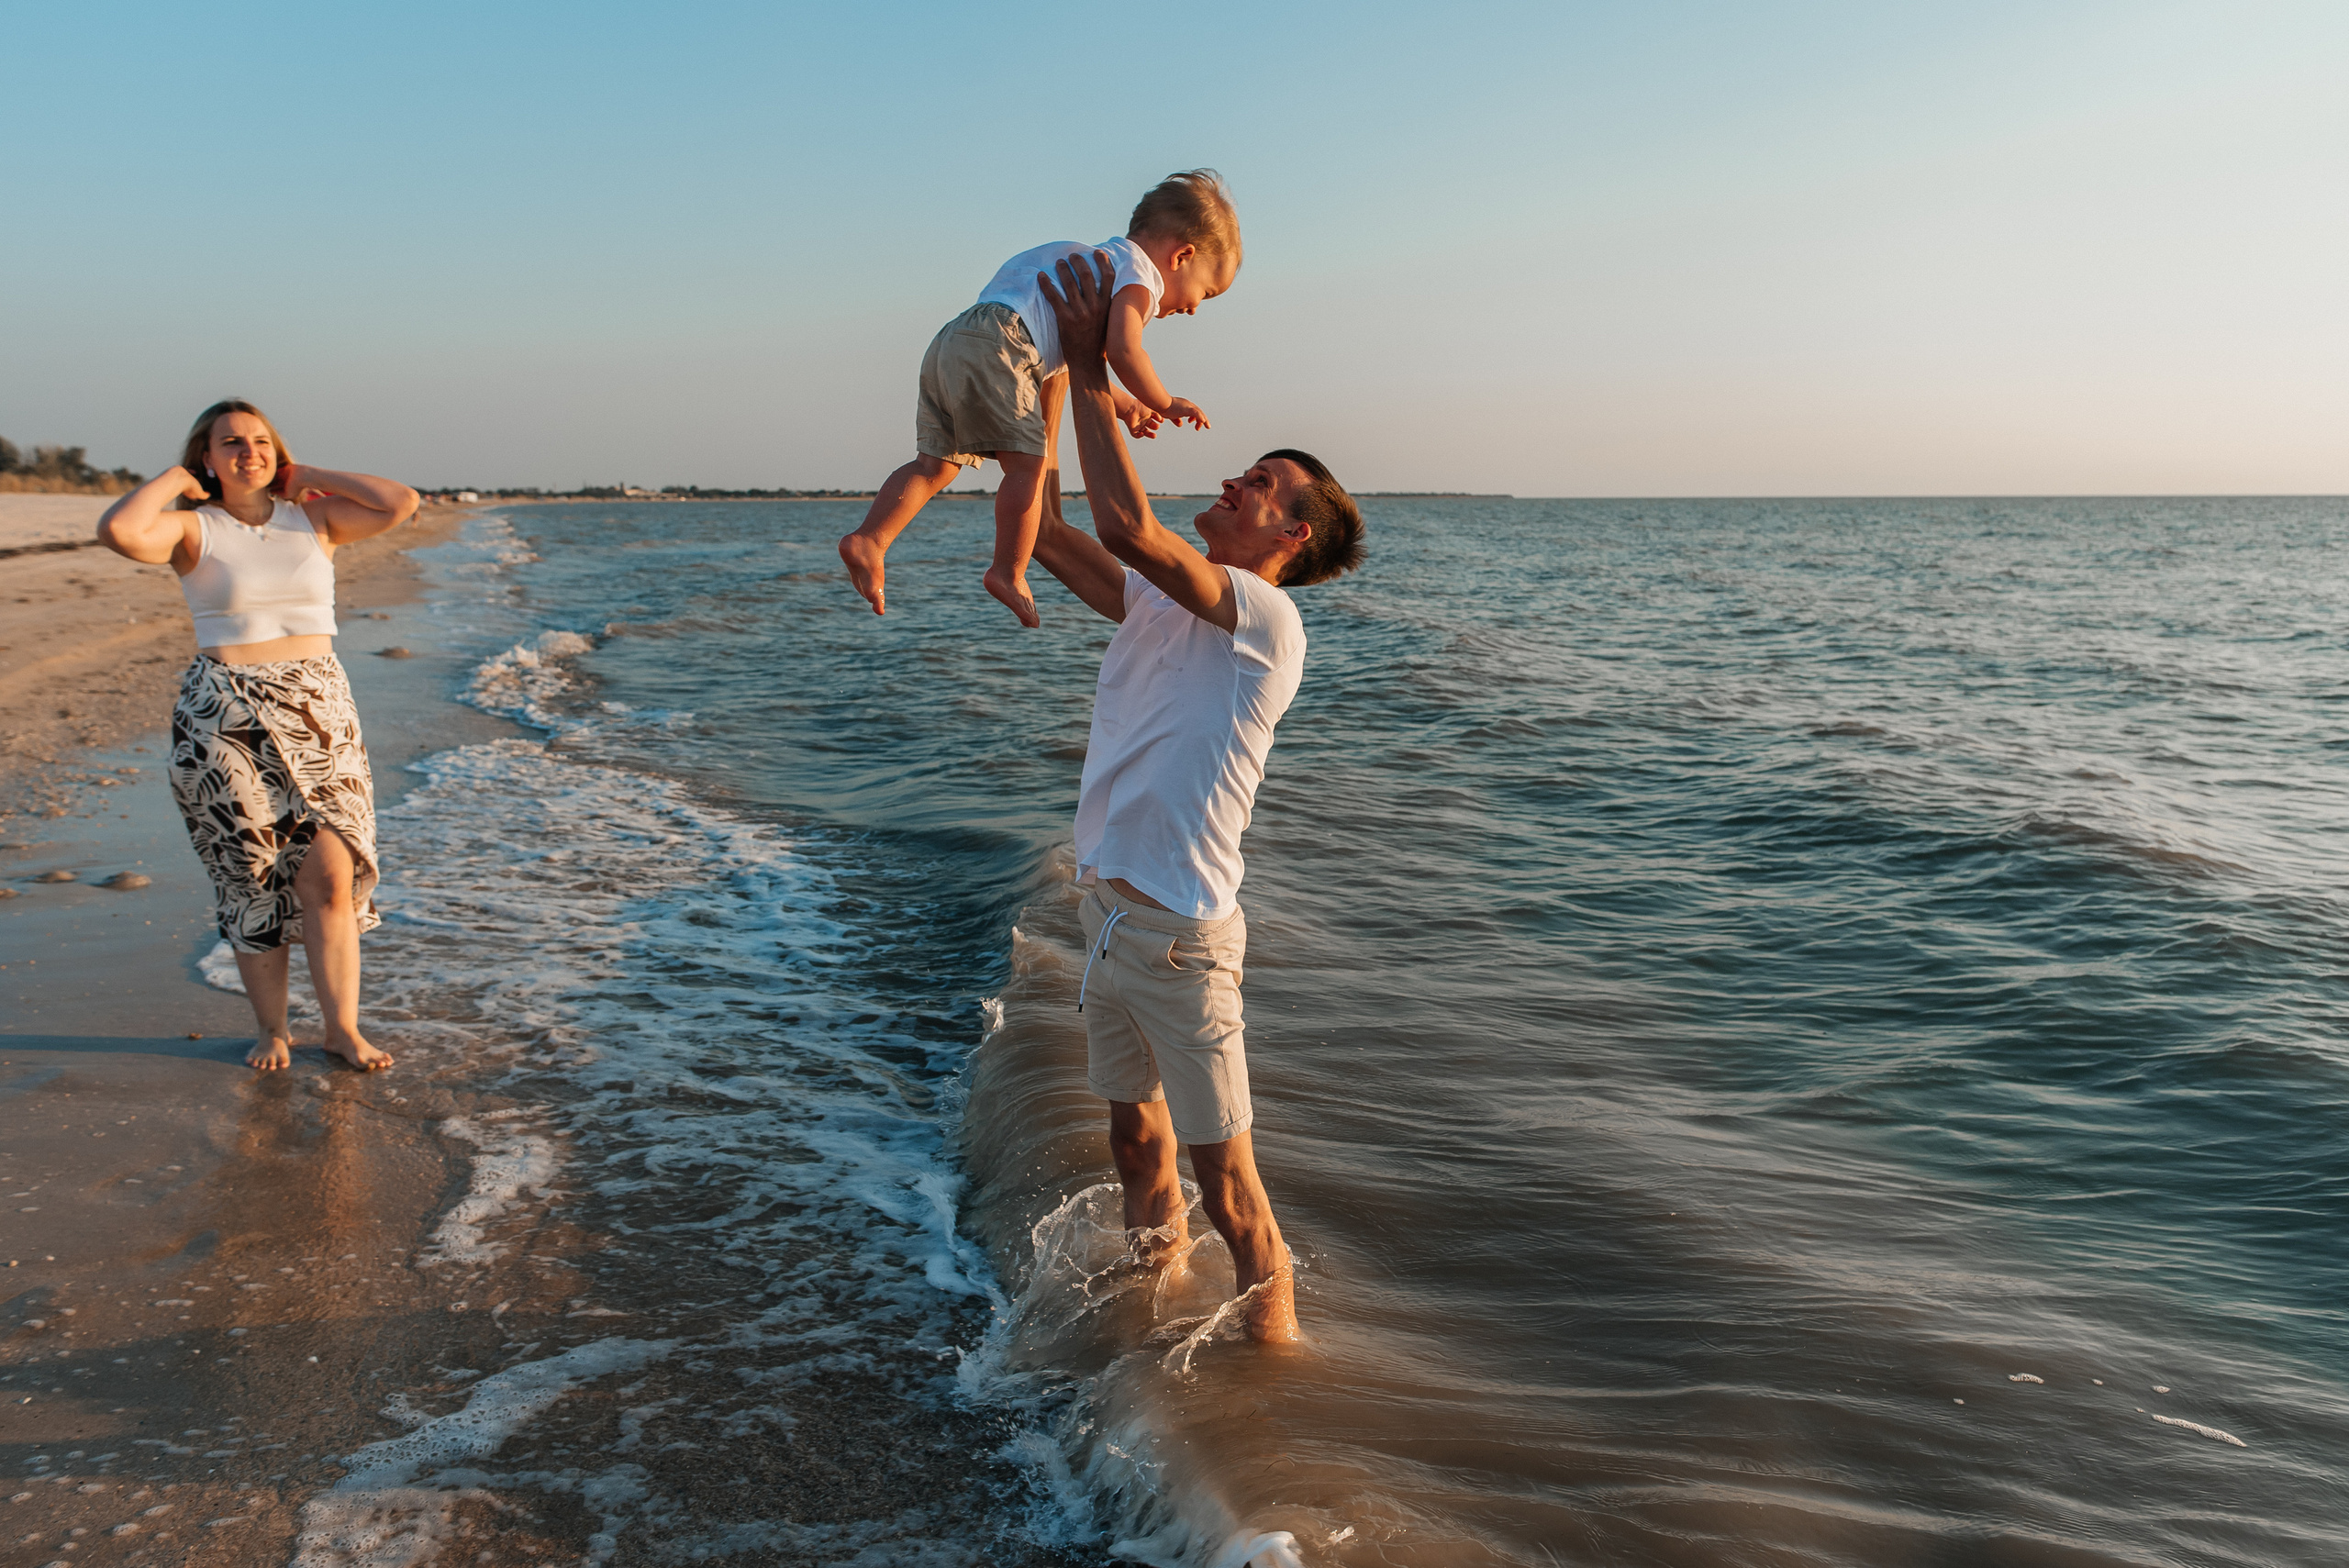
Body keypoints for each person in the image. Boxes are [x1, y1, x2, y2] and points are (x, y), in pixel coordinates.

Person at [1024, 250, 1365, 1341]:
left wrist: (1091, 363)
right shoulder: (1158, 603)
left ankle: (1271, 1385)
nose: (1234, 481)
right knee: (1135, 1143)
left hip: (1181, 939)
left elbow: (1128, 525)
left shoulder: (1265, 619)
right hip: (1108, 915)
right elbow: (1045, 526)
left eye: (1261, 484)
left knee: (1234, 1189)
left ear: (1290, 534)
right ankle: (1149, 1315)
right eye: (1246, 470)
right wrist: (1027, 389)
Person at [96, 399, 419, 1073]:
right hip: (225, 717)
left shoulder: (316, 518)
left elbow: (400, 502)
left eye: (261, 441)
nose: (250, 452)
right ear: (206, 457)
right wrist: (173, 481)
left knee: (333, 876)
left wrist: (307, 473)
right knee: (251, 876)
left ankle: (341, 1029)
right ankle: (273, 1029)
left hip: (320, 712)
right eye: (231, 443)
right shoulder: (192, 528)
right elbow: (121, 530)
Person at [837, 169, 1241, 627]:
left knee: (935, 465)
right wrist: (1167, 402)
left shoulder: (1080, 256)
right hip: (1006, 348)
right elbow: (1125, 350)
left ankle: (870, 538)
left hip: (956, 338)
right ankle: (1007, 570)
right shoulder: (1141, 279)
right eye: (1204, 293)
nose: (1192, 308)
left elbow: (1077, 355)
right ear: (1181, 256)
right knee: (1029, 465)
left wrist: (1127, 406)